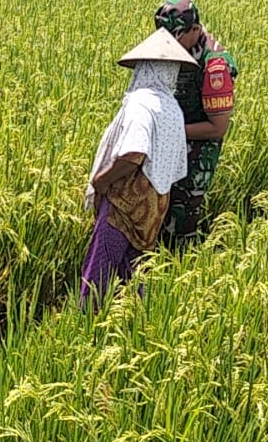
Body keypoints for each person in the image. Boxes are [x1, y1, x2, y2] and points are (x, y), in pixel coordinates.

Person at [78, 28, 197, 306]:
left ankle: (85, 322)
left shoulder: (142, 104)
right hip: (155, 206)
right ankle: (134, 321)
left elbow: (134, 152)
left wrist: (102, 181)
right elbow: (176, 167)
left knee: (101, 267)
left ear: (146, 67)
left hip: (126, 202)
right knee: (135, 271)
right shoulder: (171, 108)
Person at [153, 0, 238, 249]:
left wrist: (169, 129)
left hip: (196, 157)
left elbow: (218, 127)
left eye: (177, 35)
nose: (171, 42)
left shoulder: (215, 68)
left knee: (180, 221)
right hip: (173, 144)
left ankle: (177, 273)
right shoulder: (179, 47)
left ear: (196, 30)